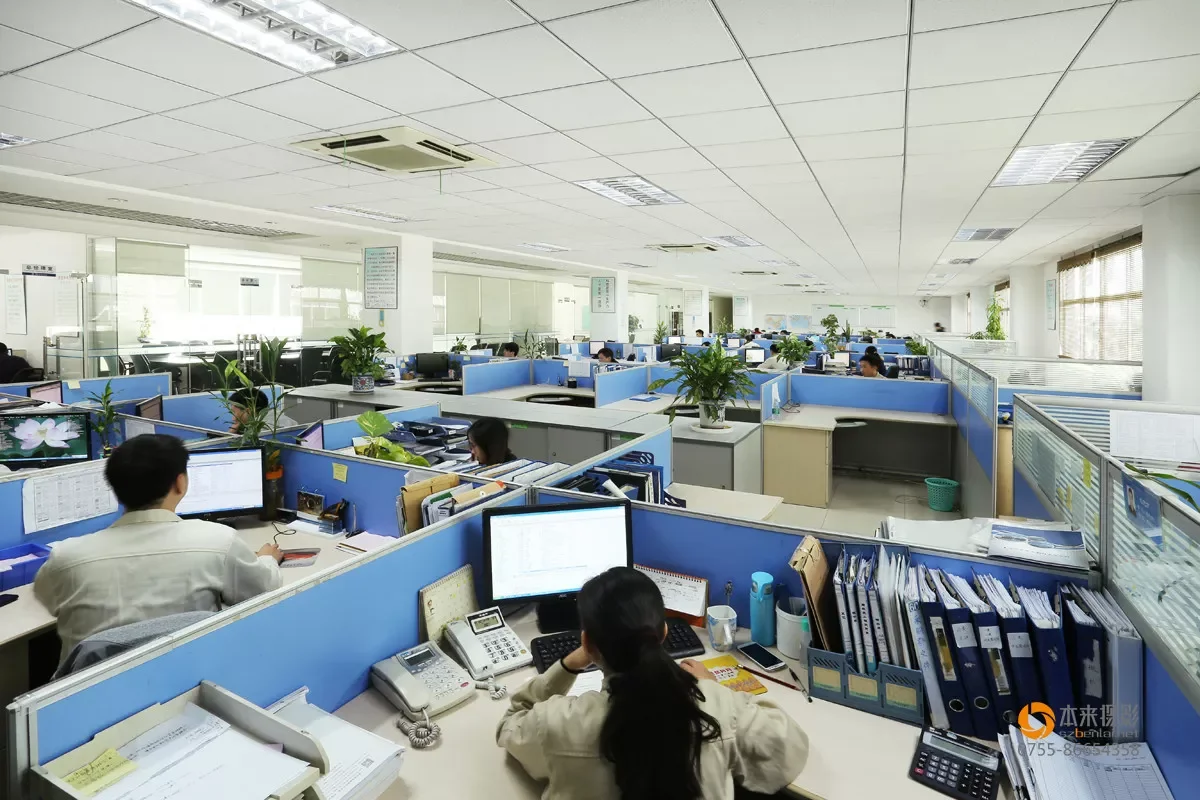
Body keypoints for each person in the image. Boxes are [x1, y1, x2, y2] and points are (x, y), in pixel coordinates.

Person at [497, 567, 808, 800]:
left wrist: (566, 665)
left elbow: (510, 724)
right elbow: (789, 749)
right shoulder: (717, 708)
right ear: (663, 634)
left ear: (588, 644)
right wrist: (716, 688)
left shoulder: (557, 722)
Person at [33, 435, 284, 663]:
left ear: (116, 493)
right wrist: (267, 559)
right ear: (180, 483)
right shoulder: (219, 542)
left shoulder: (66, 557)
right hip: (186, 680)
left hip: (84, 692)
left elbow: (47, 600)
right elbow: (264, 588)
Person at [229, 388, 298, 434]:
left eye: (234, 412)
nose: (233, 418)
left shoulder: (258, 432)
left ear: (248, 411)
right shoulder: (285, 419)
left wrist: (231, 435)